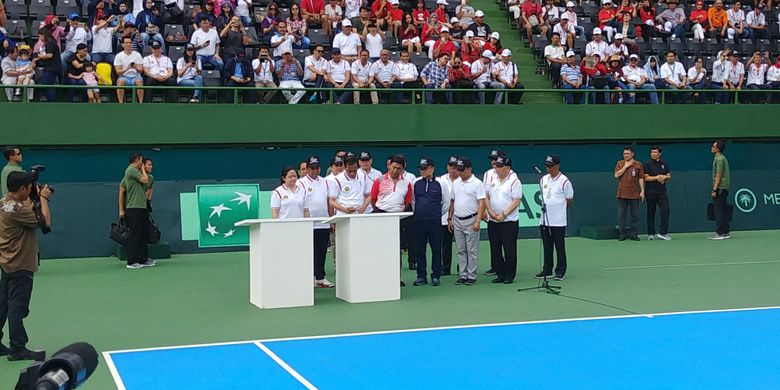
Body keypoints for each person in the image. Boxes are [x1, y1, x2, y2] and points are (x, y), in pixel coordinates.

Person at [0, 171, 52, 361]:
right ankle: (17, 348)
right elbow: (45, 223)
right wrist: (44, 199)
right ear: (22, 188)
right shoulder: (17, 210)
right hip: (20, 262)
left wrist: (33, 198)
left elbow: (25, 211)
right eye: (29, 187)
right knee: (17, 307)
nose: (31, 189)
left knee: (4, 303)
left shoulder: (5, 203)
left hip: (7, 261)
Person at [371, 155, 414, 285]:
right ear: (389, 166)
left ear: (403, 169)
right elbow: (373, 199)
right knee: (380, 248)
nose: (395, 170)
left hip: (397, 218)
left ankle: (396, 278)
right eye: (394, 167)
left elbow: (407, 202)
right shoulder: (379, 180)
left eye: (399, 168)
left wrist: (396, 212)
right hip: (380, 215)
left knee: (397, 250)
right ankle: (380, 277)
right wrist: (381, 211)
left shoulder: (407, 183)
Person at [484, 155, 521, 284]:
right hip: (493, 219)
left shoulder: (514, 181)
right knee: (495, 248)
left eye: (500, 166)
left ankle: (509, 275)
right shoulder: (492, 178)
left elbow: (516, 201)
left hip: (508, 221)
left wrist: (503, 215)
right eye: (496, 166)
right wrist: (490, 211)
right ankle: (500, 273)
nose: (497, 169)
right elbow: (487, 196)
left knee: (509, 249)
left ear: (508, 168)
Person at [448, 157, 485, 286]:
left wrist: (478, 221)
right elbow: (452, 201)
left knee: (472, 250)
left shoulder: (477, 183)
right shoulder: (456, 182)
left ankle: (472, 275)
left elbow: (481, 203)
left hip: (471, 219)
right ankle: (463, 275)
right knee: (461, 249)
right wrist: (449, 218)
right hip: (457, 219)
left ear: (469, 169)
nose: (460, 173)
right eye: (458, 170)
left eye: (462, 170)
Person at [412, 158, 448, 287]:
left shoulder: (441, 183)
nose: (422, 171)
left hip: (435, 221)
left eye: (425, 168)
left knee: (436, 249)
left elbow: (446, 202)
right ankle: (421, 276)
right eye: (421, 168)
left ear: (432, 169)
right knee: (420, 250)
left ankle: (436, 276)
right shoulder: (415, 182)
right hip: (419, 221)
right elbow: (413, 201)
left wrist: (436, 214)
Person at [536, 154, 573, 280]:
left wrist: (559, 209)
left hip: (558, 221)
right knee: (547, 246)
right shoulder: (543, 179)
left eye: (551, 166)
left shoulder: (565, 181)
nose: (548, 168)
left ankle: (560, 271)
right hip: (545, 219)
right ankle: (547, 270)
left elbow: (569, 200)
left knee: (559, 246)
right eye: (546, 166)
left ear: (557, 166)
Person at [300, 156, 335, 288]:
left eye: (317, 168)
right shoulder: (301, 183)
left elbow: (329, 202)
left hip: (324, 222)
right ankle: (307, 277)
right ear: (307, 169)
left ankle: (320, 277)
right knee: (309, 252)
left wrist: (331, 220)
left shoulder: (326, 182)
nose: (315, 171)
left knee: (322, 252)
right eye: (312, 168)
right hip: (309, 224)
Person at [119, 153, 154, 269]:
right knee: (135, 235)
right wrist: (121, 209)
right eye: (141, 161)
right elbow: (144, 180)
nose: (142, 163)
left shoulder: (138, 173)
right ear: (137, 160)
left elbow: (148, 187)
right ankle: (132, 261)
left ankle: (142, 259)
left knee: (143, 234)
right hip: (133, 208)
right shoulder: (131, 170)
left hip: (142, 208)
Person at [614, 146, 645, 241]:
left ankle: (634, 234)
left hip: (634, 194)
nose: (625, 155)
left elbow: (641, 178)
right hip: (622, 193)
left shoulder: (638, 164)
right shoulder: (620, 163)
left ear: (632, 154)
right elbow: (616, 175)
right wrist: (626, 166)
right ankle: (622, 234)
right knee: (622, 215)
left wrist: (642, 191)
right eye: (624, 154)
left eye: (627, 154)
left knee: (635, 215)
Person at [643, 146, 671, 241]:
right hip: (650, 192)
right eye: (652, 152)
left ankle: (663, 232)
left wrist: (664, 177)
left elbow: (669, 175)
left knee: (665, 210)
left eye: (655, 152)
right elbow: (645, 178)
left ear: (660, 153)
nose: (653, 154)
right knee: (651, 212)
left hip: (662, 192)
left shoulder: (665, 164)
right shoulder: (647, 164)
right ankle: (651, 233)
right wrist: (657, 177)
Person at [438, 156, 459, 275]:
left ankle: (462, 268)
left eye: (455, 167)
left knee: (462, 246)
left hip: (461, 217)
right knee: (445, 245)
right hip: (445, 218)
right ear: (447, 166)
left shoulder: (463, 179)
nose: (453, 169)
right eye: (451, 166)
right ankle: (445, 268)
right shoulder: (441, 180)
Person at [709, 140, 731, 240]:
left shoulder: (719, 159)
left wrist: (714, 189)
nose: (711, 147)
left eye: (713, 146)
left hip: (720, 187)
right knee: (722, 209)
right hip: (724, 188)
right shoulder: (721, 158)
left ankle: (720, 233)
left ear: (717, 148)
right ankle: (725, 231)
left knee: (718, 210)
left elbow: (718, 175)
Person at [114, 36, 145, 103]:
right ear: (123, 44)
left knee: (139, 82)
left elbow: (141, 70)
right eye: (126, 43)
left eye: (130, 43)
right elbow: (118, 72)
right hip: (124, 77)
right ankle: (120, 103)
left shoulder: (137, 55)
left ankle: (141, 103)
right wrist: (126, 69)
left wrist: (136, 67)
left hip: (136, 76)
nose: (129, 44)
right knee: (121, 82)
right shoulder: (118, 56)